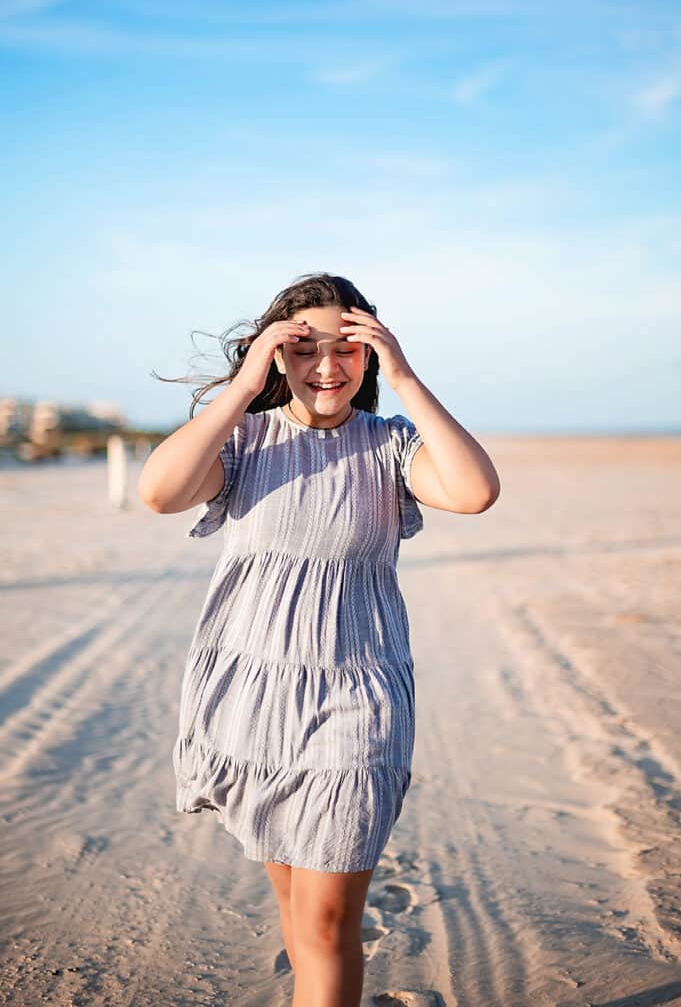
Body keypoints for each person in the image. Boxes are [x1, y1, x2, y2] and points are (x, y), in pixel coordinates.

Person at [138, 272, 501, 1007]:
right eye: (303, 349)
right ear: (277, 357)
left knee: (330, 915)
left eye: (348, 349)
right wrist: (243, 386)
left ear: (369, 358)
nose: (326, 367)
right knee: (296, 910)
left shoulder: (390, 446)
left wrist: (405, 376)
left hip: (357, 701)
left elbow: (474, 491)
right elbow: (160, 491)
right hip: (253, 700)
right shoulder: (245, 441)